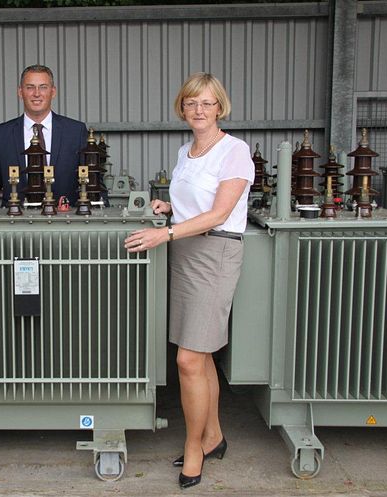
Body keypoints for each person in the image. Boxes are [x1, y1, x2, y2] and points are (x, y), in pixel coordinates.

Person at [124, 72, 253, 490]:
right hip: (185, 250)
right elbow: (194, 204)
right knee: (201, 356)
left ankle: (194, 447)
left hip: (214, 253)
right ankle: (213, 436)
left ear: (221, 107)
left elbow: (218, 214)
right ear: (183, 108)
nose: (199, 110)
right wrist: (169, 207)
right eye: (191, 103)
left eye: (207, 103)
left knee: (187, 361)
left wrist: (166, 232)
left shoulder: (234, 151)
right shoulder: (186, 151)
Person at [0, 64, 88, 206]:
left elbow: (92, 180)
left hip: (64, 221)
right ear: (20, 92)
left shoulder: (75, 131)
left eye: (43, 87)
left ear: (53, 92)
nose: (36, 93)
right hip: (16, 222)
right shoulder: (2, 134)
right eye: (30, 87)